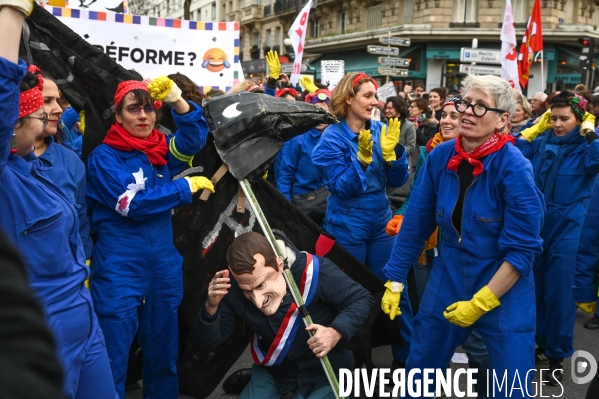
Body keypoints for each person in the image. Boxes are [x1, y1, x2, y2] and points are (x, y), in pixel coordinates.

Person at [382, 74, 544, 398]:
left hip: (502, 281)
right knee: (420, 369)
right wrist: (395, 278)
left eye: (480, 107)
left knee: (511, 384)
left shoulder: (515, 168)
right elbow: (416, 223)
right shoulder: (441, 158)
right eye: (466, 102)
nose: (468, 111)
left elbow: (522, 251)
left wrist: (483, 301)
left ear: (502, 120)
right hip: (449, 272)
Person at [0, 5, 117, 399]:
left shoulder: (39, 168)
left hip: (84, 318)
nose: (55, 111)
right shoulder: (5, 179)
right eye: (40, 108)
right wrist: (11, 13)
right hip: (41, 329)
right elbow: (3, 85)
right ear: (15, 124)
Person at [86, 77, 214, 398]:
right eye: (133, 109)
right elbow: (132, 205)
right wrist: (184, 188)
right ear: (118, 115)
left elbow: (196, 138)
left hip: (162, 269)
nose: (143, 116)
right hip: (119, 270)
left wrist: (178, 100)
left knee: (162, 357)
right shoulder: (104, 157)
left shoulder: (160, 148)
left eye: (149, 109)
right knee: (111, 360)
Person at [385, 96, 491, 397]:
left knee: (474, 338)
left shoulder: (486, 161)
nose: (446, 121)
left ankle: (485, 386)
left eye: (454, 116)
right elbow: (417, 198)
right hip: (426, 253)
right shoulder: (429, 152)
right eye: (443, 115)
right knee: (430, 328)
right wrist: (402, 216)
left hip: (464, 259)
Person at [195, 232, 374, 399]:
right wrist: (211, 305)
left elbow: (362, 299)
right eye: (247, 291)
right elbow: (208, 342)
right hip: (277, 371)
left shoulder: (316, 272)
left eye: (260, 285)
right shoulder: (232, 286)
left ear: (280, 265)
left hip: (324, 370)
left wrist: (335, 332)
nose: (257, 301)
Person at [312, 72, 412, 368]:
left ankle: (406, 360)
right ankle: (354, 366)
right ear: (348, 99)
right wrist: (362, 160)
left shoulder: (383, 130)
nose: (374, 102)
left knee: (396, 291)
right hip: (346, 225)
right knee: (349, 297)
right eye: (368, 96)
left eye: (374, 95)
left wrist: (394, 157)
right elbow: (341, 188)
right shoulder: (330, 138)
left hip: (381, 223)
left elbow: (399, 181)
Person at [515, 90, 599, 385]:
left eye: (565, 118)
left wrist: (592, 133)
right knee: (533, 291)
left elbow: (597, 160)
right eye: (554, 118)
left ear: (580, 119)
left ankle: (556, 356)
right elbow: (514, 152)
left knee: (560, 295)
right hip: (537, 227)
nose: (558, 124)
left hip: (569, 229)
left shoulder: (587, 146)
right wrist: (532, 129)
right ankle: (538, 346)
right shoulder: (542, 142)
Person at [26, 66, 93, 259]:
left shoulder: (71, 161)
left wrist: (83, 266)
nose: (59, 109)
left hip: (62, 282)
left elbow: (80, 225)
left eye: (58, 100)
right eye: (47, 101)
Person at [276, 89, 331, 226]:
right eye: (316, 110)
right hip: (303, 206)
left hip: (329, 208)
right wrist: (287, 208)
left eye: (324, 111)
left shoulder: (335, 137)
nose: (320, 116)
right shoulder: (297, 137)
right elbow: (285, 175)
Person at [384, 95, 417, 207]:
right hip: (386, 166)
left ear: (398, 108)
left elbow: (411, 148)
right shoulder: (384, 124)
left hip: (402, 167)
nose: (387, 110)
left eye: (390, 108)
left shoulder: (409, 126)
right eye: (386, 108)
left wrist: (395, 150)